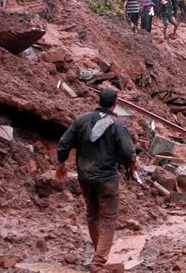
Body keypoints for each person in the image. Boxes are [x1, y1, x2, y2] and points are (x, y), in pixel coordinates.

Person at [56, 88, 137, 273]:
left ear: (98, 101)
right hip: (107, 178)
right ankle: (99, 262)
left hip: (85, 176)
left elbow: (63, 143)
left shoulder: (81, 120)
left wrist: (61, 162)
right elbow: (127, 153)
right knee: (108, 218)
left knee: (92, 214)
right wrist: (131, 164)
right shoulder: (117, 125)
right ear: (115, 104)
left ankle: (98, 255)